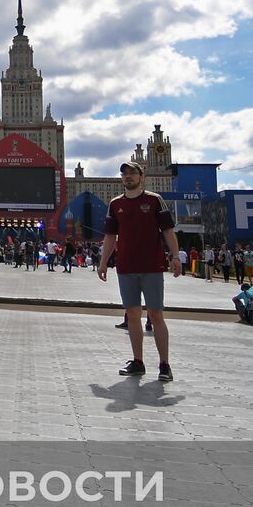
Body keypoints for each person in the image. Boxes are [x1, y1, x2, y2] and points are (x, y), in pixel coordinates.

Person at [98, 161, 181, 381]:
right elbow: (110, 236)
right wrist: (103, 261)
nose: (128, 177)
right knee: (133, 314)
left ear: (141, 177)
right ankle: (138, 362)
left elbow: (168, 230)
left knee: (155, 315)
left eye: (132, 173)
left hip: (152, 266)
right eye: (124, 174)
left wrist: (175, 256)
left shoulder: (154, 200)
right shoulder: (115, 204)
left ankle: (164, 365)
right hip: (126, 266)